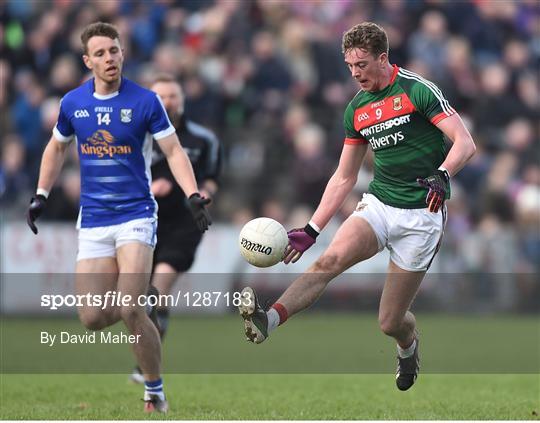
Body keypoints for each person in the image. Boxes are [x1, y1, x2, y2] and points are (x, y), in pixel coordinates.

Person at [238, 22, 476, 391]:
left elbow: (464, 142)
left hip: (422, 216)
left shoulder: (417, 90)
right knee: (328, 260)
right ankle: (269, 319)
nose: (355, 73)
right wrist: (312, 229)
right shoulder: (357, 109)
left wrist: (443, 174)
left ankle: (408, 346)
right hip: (380, 204)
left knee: (390, 322)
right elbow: (344, 176)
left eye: (362, 64)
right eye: (349, 66)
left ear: (383, 58)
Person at [25, 22, 211, 413]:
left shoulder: (145, 101)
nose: (109, 58)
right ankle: (141, 300)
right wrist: (41, 194)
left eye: (114, 50)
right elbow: (56, 149)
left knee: (129, 309)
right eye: (101, 53)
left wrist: (193, 194)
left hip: (136, 216)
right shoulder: (73, 104)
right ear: (87, 61)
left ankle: (154, 389)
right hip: (93, 219)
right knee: (92, 318)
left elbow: (175, 151)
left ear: (122, 52)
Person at [130, 74, 222, 383]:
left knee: (159, 286)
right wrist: (147, 187)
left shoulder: (203, 139)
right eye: (162, 97)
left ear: (183, 101)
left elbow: (211, 178)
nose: (168, 102)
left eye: (174, 96)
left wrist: (203, 194)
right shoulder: (136, 136)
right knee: (139, 297)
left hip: (184, 223)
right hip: (144, 220)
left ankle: (146, 371)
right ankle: (147, 359)